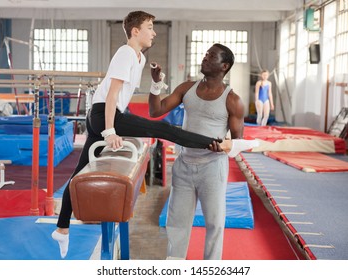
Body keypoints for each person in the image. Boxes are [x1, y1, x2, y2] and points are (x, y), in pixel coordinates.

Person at [51, 11, 255, 259]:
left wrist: (156, 81)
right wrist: (110, 131)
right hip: (106, 114)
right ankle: (219, 144)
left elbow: (129, 97)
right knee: (164, 130)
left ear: (224, 66)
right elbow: (115, 94)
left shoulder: (138, 58)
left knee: (77, 175)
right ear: (135, 31)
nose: (154, 32)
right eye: (150, 27)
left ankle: (62, 228)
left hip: (207, 165)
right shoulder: (126, 53)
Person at [148, 43, 259, 260]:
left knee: (214, 224)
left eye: (211, 56)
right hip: (184, 165)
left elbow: (237, 142)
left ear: (224, 66)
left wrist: (224, 146)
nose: (205, 58)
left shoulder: (233, 100)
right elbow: (155, 111)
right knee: (177, 223)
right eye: (205, 54)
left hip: (212, 168)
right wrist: (155, 84)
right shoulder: (187, 88)